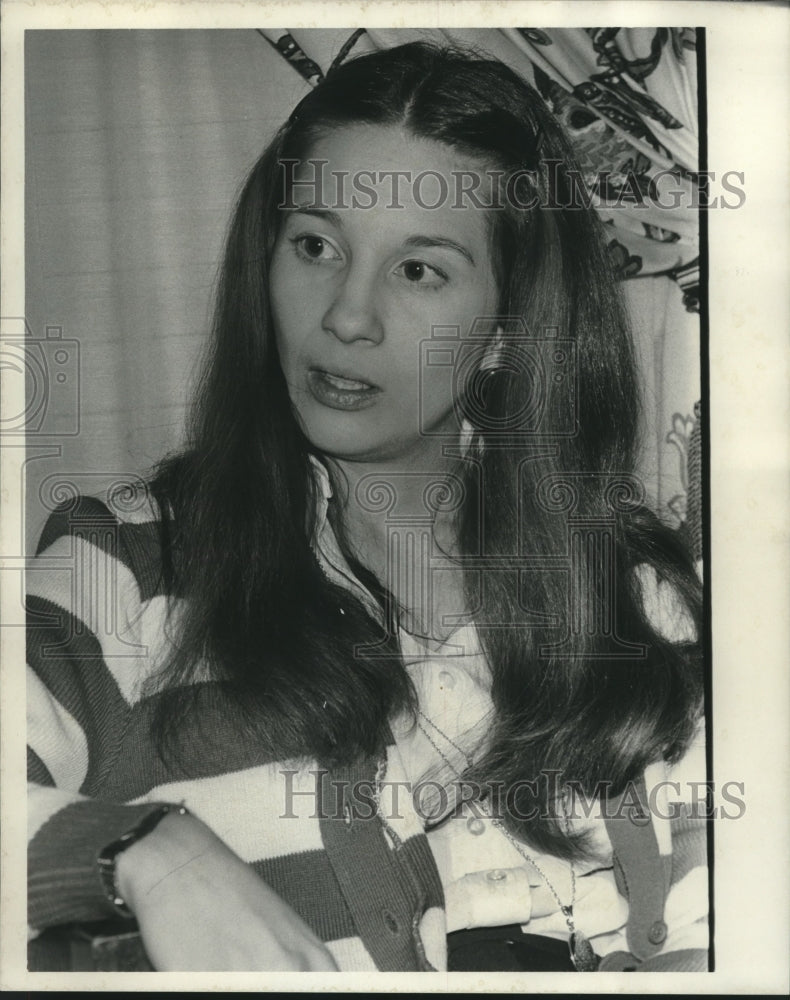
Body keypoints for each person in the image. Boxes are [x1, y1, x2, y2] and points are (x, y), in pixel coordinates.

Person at [26, 41, 707, 973]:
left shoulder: (639, 590)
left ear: (509, 328)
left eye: (419, 270)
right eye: (316, 246)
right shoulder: (125, 567)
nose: (347, 315)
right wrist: (145, 855)